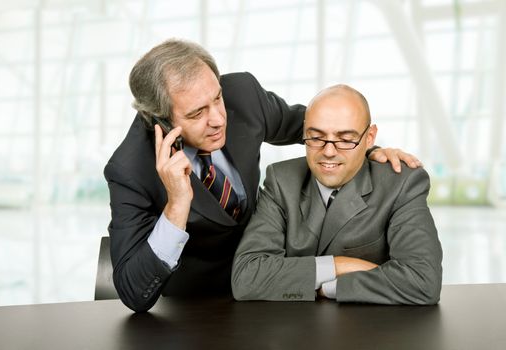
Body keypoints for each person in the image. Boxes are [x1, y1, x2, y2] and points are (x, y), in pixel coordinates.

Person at [104, 39, 422, 312]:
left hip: (273, 284)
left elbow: (309, 126)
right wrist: (176, 206)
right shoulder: (130, 170)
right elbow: (133, 293)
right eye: (197, 113)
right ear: (159, 118)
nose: (217, 119)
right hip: (196, 308)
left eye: (216, 98)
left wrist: (368, 149)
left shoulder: (242, 95)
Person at [231, 84, 442, 304]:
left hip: (373, 333)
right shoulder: (281, 180)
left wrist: (330, 287)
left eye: (345, 139)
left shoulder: (402, 183)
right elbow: (247, 277)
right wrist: (339, 265)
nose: (329, 152)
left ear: (369, 138)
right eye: (316, 137)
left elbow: (422, 281)